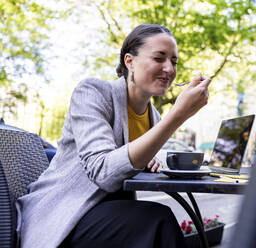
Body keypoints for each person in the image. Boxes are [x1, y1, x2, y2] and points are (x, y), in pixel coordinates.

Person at [16, 24, 211, 248]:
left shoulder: (154, 117)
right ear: (130, 61)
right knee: (157, 220)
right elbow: (104, 172)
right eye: (159, 58)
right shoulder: (93, 92)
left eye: (174, 62)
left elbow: (125, 158)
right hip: (63, 216)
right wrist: (177, 115)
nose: (169, 68)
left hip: (107, 213)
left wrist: (146, 159)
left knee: (152, 223)